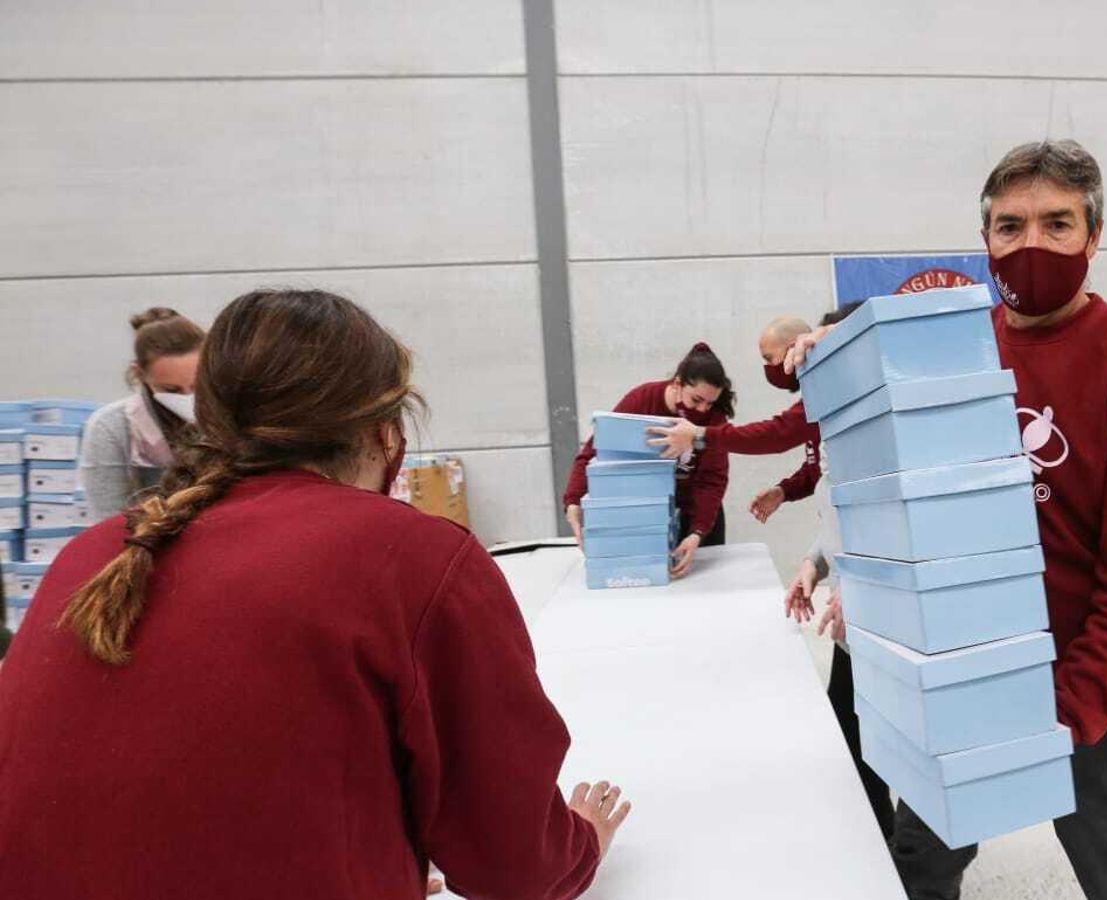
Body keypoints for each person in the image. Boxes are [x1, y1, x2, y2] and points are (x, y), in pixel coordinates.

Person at [0, 289, 629, 900]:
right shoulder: (407, 556)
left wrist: (361, 853)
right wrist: (580, 847)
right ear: (387, 430)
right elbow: (514, 865)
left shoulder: (97, 552)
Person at [787, 140, 1107, 900]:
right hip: (965, 672)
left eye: (1057, 224)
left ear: (1094, 237)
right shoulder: (953, 349)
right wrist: (834, 358)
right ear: (985, 241)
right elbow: (889, 478)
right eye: (1011, 227)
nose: (1032, 244)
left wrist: (1061, 717)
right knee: (920, 866)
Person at [776, 301, 894, 839]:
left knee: (896, 752)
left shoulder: (894, 430)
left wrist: (866, 590)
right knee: (851, 739)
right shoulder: (842, 426)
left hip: (893, 634)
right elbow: (839, 514)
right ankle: (878, 845)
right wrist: (812, 564)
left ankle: (903, 865)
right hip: (853, 636)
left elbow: (908, 531)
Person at [563, 343, 733, 577]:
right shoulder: (642, 400)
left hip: (697, 514)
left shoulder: (715, 418)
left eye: (710, 403)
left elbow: (712, 479)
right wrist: (573, 500)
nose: (703, 410)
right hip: (647, 515)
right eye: (696, 400)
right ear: (677, 383)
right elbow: (594, 451)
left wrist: (697, 532)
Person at [646, 316, 821, 523]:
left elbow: (775, 434)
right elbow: (817, 465)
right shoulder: (645, 397)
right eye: (696, 399)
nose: (768, 367)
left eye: (769, 358)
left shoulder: (822, 394)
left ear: (794, 347)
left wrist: (699, 434)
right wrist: (784, 491)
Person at [79, 307, 205, 520]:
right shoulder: (111, 427)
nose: (187, 396)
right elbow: (107, 522)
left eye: (198, 385)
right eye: (171, 390)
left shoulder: (233, 415)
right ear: (141, 374)